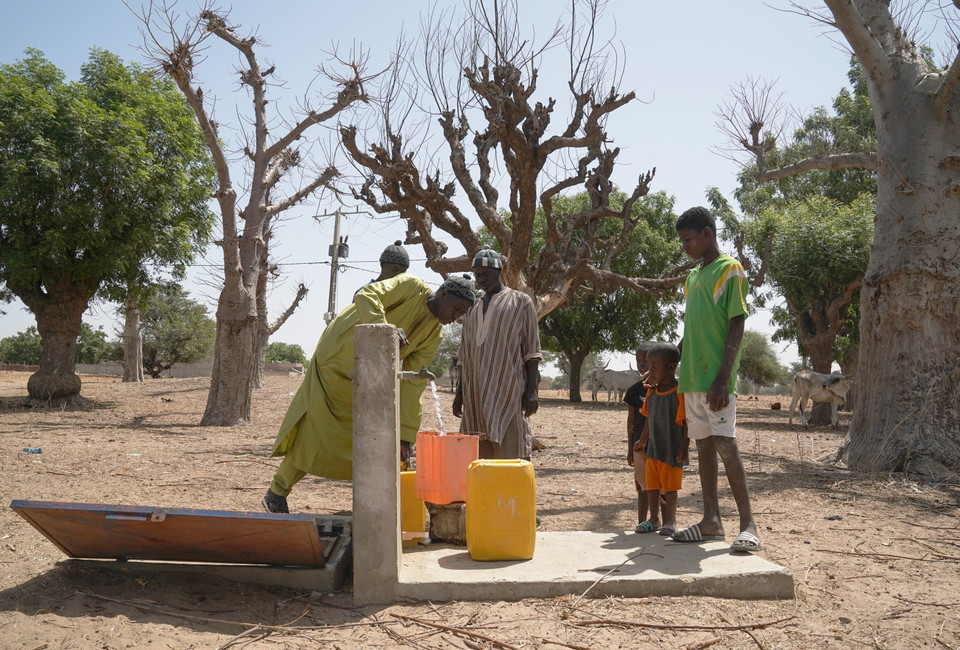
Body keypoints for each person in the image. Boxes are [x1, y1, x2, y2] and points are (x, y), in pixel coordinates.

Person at [263, 273, 476, 513]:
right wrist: (385, 330)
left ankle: (370, 510)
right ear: (444, 294)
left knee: (369, 436)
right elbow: (366, 295)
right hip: (335, 358)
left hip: (366, 375)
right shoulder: (411, 287)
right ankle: (277, 491)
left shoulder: (433, 335)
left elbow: (412, 386)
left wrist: (405, 435)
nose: (456, 318)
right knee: (315, 431)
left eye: (461, 314)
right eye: (456, 309)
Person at [671, 206, 760, 552]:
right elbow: (695, 325)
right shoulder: (694, 277)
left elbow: (737, 322)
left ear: (707, 234)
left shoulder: (729, 270)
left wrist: (723, 377)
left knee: (725, 443)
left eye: (689, 239)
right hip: (692, 377)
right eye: (682, 241)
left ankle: (748, 524)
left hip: (716, 379)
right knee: (704, 445)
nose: (685, 246)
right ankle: (711, 521)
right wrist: (674, 360)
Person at [453, 248, 542, 459]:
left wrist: (532, 391)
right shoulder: (471, 308)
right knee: (478, 459)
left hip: (508, 392)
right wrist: (459, 395)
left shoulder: (520, 302)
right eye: (477, 275)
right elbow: (464, 357)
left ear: (499, 271)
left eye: (486, 274)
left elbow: (532, 352)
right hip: (474, 396)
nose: (481, 279)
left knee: (510, 456)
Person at [633, 342, 688, 536]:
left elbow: (686, 422)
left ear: (671, 367)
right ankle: (654, 519)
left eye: (655, 366)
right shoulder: (651, 392)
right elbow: (648, 418)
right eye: (649, 365)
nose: (650, 370)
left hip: (672, 449)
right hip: (653, 450)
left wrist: (684, 445)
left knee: (670, 487)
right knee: (652, 486)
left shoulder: (679, 392)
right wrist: (642, 441)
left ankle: (670, 521)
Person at [623, 342, 655, 532]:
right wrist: (630, 449)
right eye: (638, 361)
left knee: (661, 487)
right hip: (639, 447)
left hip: (659, 446)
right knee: (642, 486)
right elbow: (631, 421)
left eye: (646, 360)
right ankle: (642, 522)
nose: (642, 365)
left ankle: (665, 522)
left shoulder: (665, 388)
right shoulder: (634, 391)